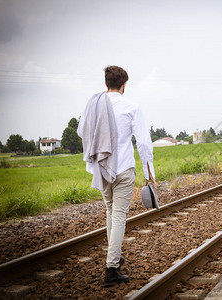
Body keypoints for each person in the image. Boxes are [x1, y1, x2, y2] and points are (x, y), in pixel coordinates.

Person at [77, 65, 156, 287]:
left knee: (111, 211)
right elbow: (142, 141)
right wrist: (148, 171)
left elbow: (80, 130)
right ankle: (111, 268)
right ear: (123, 85)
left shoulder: (93, 106)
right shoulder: (131, 106)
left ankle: (115, 256)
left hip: (102, 168)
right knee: (119, 214)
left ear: (106, 84)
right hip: (123, 169)